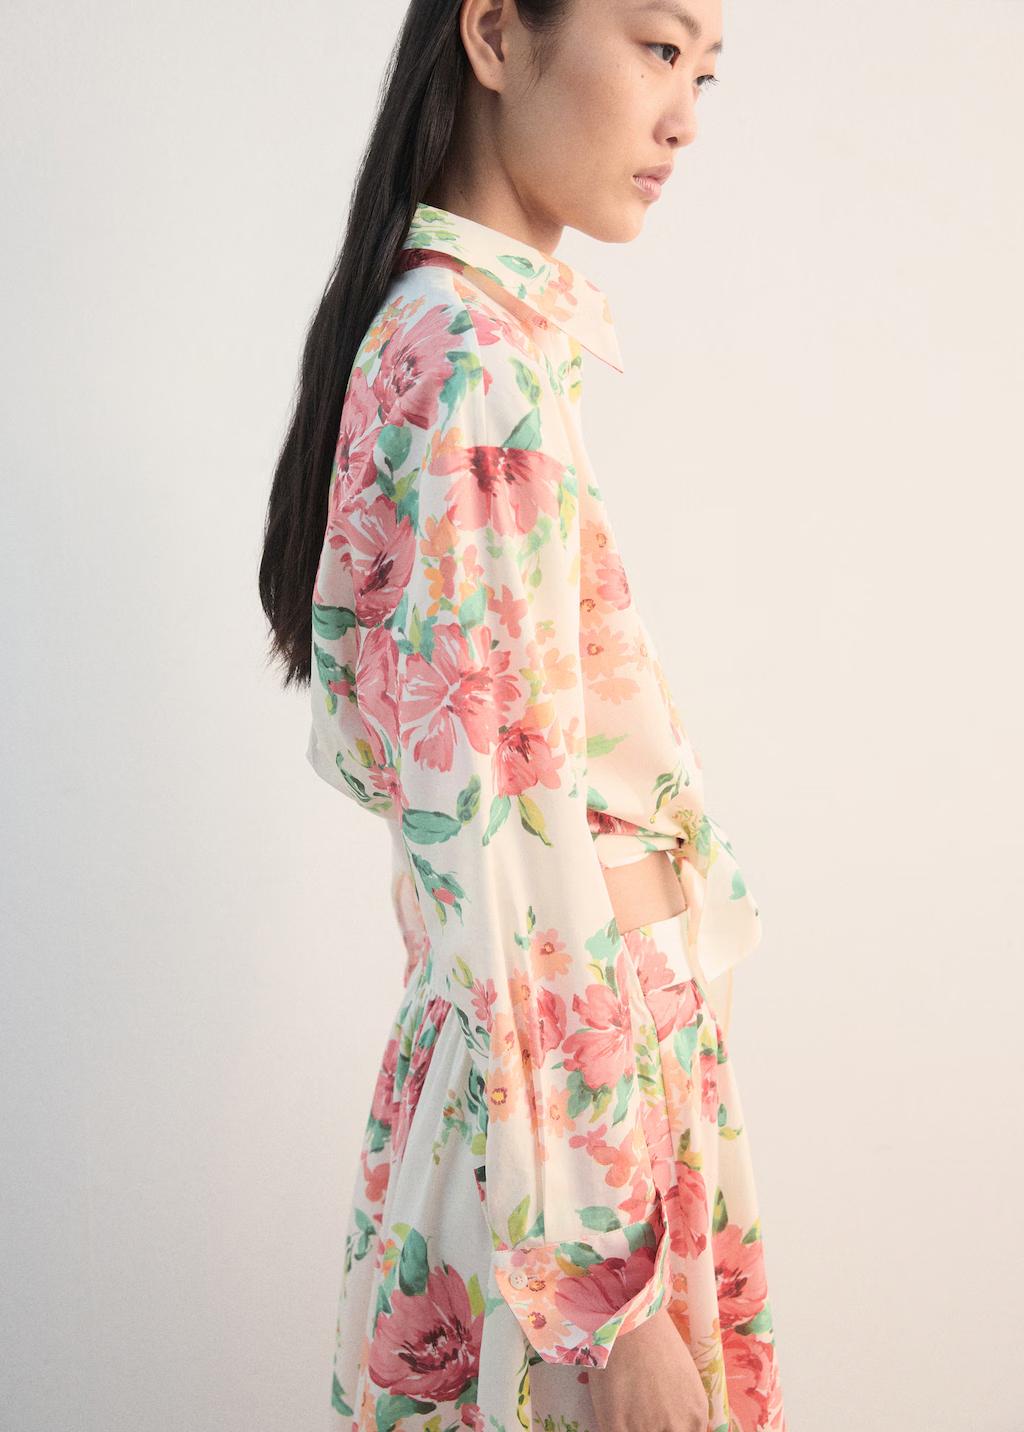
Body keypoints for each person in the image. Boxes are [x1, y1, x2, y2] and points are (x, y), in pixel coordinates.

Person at [259, 1, 788, 1428]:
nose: (685, 117)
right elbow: (504, 857)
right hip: (571, 1183)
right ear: (494, 35)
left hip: (566, 1126)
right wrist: (613, 1304)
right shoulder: (471, 368)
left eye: (706, 72)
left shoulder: (468, 344)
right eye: (658, 48)